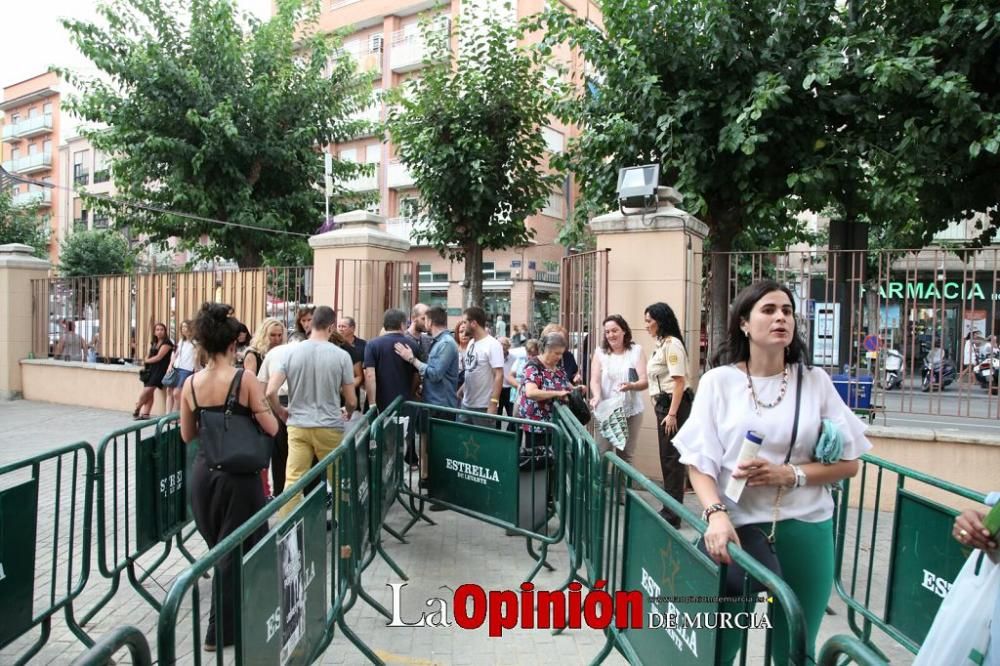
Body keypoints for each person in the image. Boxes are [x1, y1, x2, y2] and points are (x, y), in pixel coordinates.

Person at [673, 279, 871, 664]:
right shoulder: (719, 382)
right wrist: (714, 514)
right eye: (768, 310)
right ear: (744, 323)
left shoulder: (815, 382)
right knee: (716, 646)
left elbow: (851, 463)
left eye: (787, 311)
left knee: (795, 651)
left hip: (806, 528)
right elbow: (699, 460)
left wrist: (790, 475)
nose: (781, 317)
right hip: (736, 532)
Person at [179, 302, 279, 651]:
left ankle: (233, 624)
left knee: (221, 551)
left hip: (205, 476)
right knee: (233, 556)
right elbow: (271, 426)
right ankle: (218, 632)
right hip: (240, 479)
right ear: (234, 345)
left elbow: (187, 435)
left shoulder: (190, 384)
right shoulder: (244, 379)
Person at [266, 305, 357, 517]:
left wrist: (281, 411)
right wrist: (348, 412)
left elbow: (270, 391)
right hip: (330, 426)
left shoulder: (290, 353)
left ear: (311, 323)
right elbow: (351, 399)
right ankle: (342, 528)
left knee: (293, 480)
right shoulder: (341, 356)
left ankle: (289, 530)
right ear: (331, 326)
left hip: (298, 425)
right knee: (339, 479)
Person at [643, 302, 694, 526]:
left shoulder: (672, 345)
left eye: (648, 321)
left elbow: (679, 382)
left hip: (673, 406)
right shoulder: (661, 343)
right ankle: (669, 507)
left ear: (660, 321)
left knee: (672, 458)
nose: (646, 325)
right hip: (664, 406)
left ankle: (673, 513)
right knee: (667, 457)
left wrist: (672, 414)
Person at [589, 315, 648, 464]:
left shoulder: (636, 350)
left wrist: (632, 386)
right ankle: (599, 487)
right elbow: (594, 380)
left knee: (626, 455)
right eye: (607, 332)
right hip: (606, 411)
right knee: (602, 453)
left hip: (631, 410)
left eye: (614, 330)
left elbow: (644, 381)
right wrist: (596, 396)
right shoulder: (600, 352)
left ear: (624, 331)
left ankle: (623, 487)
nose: (611, 335)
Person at [395, 306, 459, 410]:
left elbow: (435, 374)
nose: (424, 323)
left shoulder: (446, 343)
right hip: (432, 402)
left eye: (425, 319)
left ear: (430, 322)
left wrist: (412, 359)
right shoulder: (437, 341)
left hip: (440, 406)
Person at [459, 306, 505, 427]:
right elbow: (472, 369)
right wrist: (461, 390)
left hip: (483, 407)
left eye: (465, 322)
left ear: (474, 323)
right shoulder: (471, 343)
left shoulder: (493, 345)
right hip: (466, 404)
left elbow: (499, 375)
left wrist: (493, 403)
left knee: (484, 444)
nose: (462, 326)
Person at [133, 323, 174, 420]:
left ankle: (138, 406)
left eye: (162, 329)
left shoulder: (167, 343)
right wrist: (146, 359)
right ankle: (146, 414)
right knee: (149, 393)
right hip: (151, 369)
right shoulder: (154, 342)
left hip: (160, 370)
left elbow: (159, 357)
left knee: (148, 390)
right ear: (155, 332)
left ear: (165, 331)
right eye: (157, 329)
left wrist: (146, 360)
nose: (160, 331)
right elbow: (150, 355)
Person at [337, 315, 368, 411]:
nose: (340, 329)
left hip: (356, 385)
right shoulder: (335, 344)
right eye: (339, 326)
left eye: (343, 326)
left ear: (352, 328)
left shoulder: (363, 344)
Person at [166, 320, 197, 414]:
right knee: (169, 390)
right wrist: (170, 365)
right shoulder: (181, 341)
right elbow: (175, 354)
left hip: (186, 369)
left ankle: (177, 414)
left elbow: (197, 357)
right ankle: (167, 414)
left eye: (186, 327)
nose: (184, 329)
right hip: (176, 367)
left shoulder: (195, 342)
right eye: (182, 327)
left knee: (177, 393)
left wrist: (196, 368)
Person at [508, 338, 539, 408]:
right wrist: (519, 386)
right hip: (518, 397)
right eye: (528, 354)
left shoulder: (541, 364)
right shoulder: (520, 360)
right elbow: (510, 377)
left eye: (533, 355)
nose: (530, 357)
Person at [498, 337, 518, 422]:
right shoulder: (494, 357)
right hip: (497, 389)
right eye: (499, 344)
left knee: (511, 415)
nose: (502, 346)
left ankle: (509, 433)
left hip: (510, 390)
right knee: (497, 416)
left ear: (508, 346)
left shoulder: (514, 358)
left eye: (504, 344)